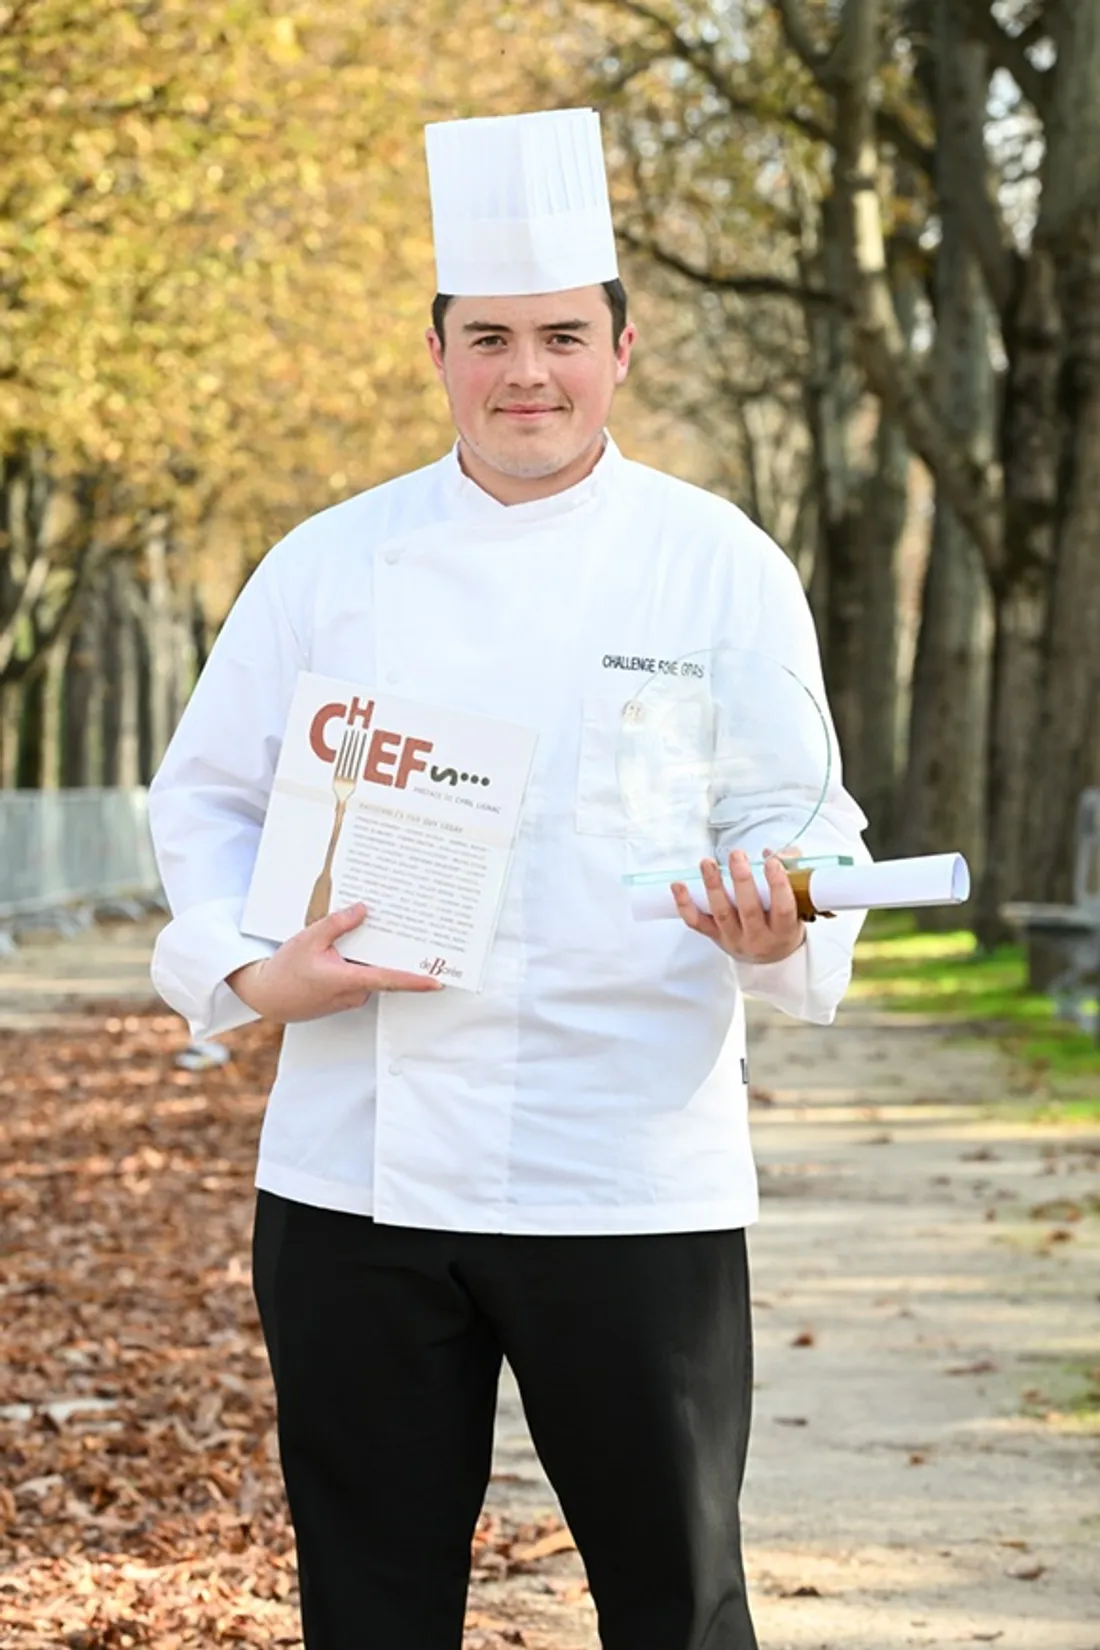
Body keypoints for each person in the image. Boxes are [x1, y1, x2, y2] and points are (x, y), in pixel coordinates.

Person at [148, 107, 870, 1650]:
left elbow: (807, 819)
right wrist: (258, 972)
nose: (525, 372)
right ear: (436, 350)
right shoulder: (328, 562)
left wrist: (779, 916)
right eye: (489, 337)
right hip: (358, 1170)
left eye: (560, 334)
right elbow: (203, 798)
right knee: (371, 1600)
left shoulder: (719, 562)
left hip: (635, 1167)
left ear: (624, 344)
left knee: (677, 1599)